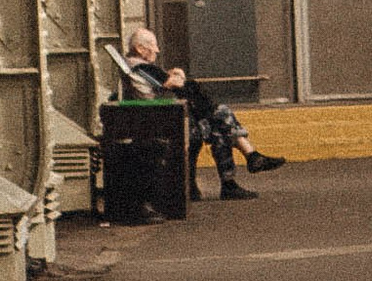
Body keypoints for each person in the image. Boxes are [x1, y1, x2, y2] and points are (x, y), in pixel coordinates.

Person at [112, 27, 287, 196]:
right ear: (140, 48)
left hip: (158, 116)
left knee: (218, 124)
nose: (157, 51)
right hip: (161, 119)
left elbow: (162, 81)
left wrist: (173, 76)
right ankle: (239, 170)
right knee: (220, 118)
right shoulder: (141, 67)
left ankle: (246, 163)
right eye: (153, 46)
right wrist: (179, 76)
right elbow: (174, 84)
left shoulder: (137, 66)